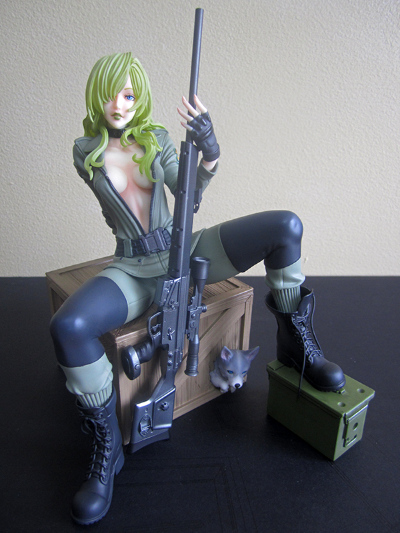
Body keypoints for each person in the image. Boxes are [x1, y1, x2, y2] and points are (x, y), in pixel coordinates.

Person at [50, 52, 345, 525]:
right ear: (95, 97)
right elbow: (120, 189)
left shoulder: (157, 139)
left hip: (185, 249)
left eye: (129, 94)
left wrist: (207, 150)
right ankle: (108, 445)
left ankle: (296, 345)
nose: (119, 104)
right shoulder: (86, 151)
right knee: (67, 326)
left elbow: (188, 191)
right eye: (110, 94)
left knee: (286, 226)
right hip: (132, 271)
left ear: (140, 97)